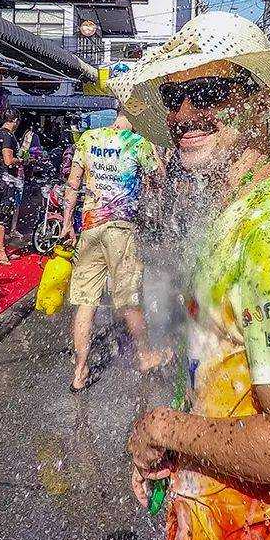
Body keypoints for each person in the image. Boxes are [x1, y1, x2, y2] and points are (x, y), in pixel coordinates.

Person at [113, 11, 270, 540]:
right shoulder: (229, 213)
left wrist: (162, 428)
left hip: (260, 529)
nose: (185, 115)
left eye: (209, 91)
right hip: (217, 520)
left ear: (257, 103)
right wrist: (183, 447)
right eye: (174, 100)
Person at [59, 111, 171, 392]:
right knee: (127, 299)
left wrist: (66, 224)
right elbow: (160, 178)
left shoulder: (88, 138)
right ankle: (145, 356)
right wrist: (156, 152)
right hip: (120, 230)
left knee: (86, 301)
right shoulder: (136, 142)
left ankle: (79, 372)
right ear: (135, 116)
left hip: (89, 227)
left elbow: (72, 183)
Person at [0, 112, 25, 265]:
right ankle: (0, 252)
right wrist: (23, 160)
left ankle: (3, 249)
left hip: (3, 179)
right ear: (15, 121)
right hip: (5, 180)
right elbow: (8, 160)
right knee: (3, 216)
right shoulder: (6, 135)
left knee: (5, 215)